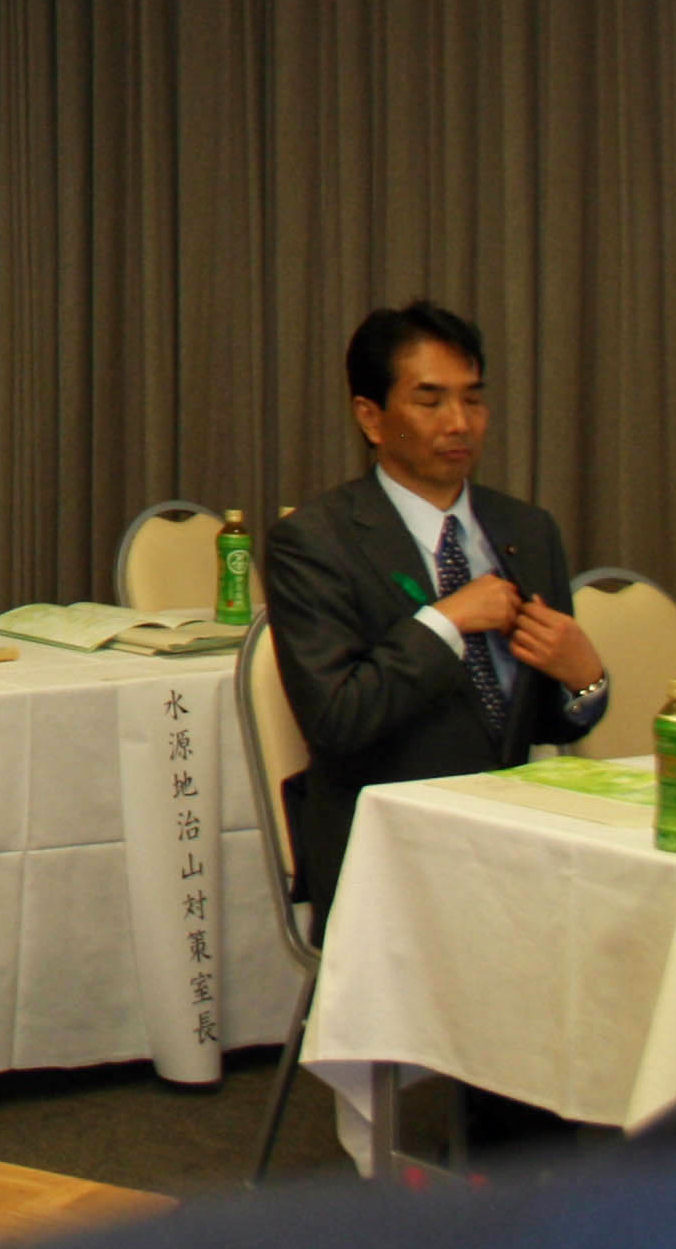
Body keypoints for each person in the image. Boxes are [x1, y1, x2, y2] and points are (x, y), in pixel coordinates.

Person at [267, 302, 608, 926]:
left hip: (517, 844)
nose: (460, 422)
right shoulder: (316, 541)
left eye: (473, 399)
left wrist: (584, 680)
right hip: (387, 857)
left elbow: (546, 723)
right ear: (371, 417)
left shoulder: (526, 530)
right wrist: (445, 623)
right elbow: (337, 719)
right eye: (431, 401)